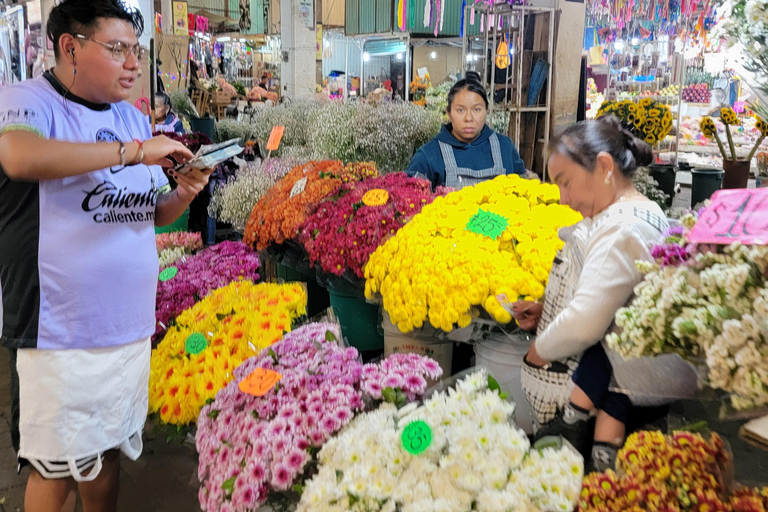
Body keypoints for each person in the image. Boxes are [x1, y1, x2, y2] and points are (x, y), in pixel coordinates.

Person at [0, 1, 211, 511]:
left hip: (125, 329)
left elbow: (143, 213)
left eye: (134, 51)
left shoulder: (126, 118)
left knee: (106, 454)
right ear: (70, 47)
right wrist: (135, 152)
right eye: (117, 50)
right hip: (58, 332)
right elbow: (20, 157)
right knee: (55, 469)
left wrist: (182, 193)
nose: (133, 64)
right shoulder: (29, 100)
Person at [514, 116, 697, 471]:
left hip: (621, 391)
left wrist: (539, 350)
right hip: (625, 385)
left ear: (603, 167)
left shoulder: (620, 228)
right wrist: (547, 309)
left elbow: (585, 322)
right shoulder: (639, 210)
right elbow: (614, 295)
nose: (564, 200)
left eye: (566, 183)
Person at [405, 75, 525, 190]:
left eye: (476, 109)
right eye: (460, 110)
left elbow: (524, 192)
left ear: (486, 111)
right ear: (449, 113)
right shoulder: (428, 155)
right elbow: (411, 201)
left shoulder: (505, 147)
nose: (468, 118)